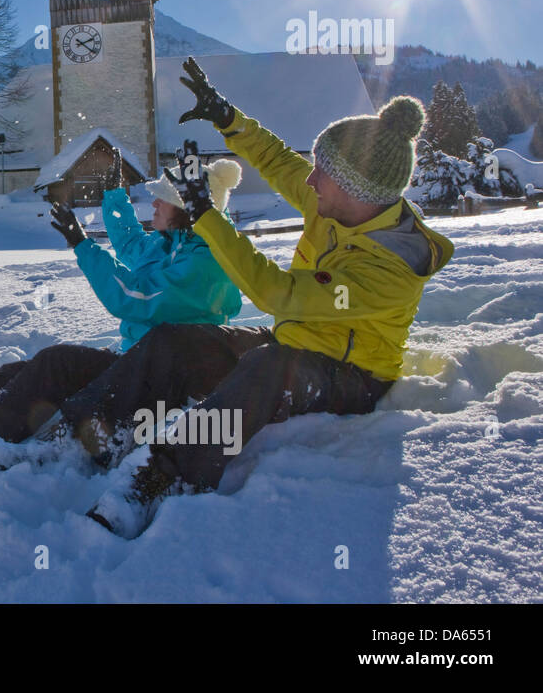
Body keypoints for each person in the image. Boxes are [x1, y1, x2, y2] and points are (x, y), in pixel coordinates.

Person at [86, 57, 454, 538]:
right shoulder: (334, 204)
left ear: (353, 187)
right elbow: (280, 160)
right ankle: (90, 436)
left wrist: (204, 214)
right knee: (179, 339)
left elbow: (276, 292)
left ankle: (159, 478)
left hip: (352, 375)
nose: (308, 180)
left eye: (321, 171)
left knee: (266, 369)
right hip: (294, 340)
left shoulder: (390, 267)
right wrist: (226, 116)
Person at [0, 146, 245, 467]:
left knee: (54, 364)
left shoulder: (206, 264)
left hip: (153, 383)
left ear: (186, 209)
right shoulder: (172, 244)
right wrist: (115, 195)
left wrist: (83, 246)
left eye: (164, 197)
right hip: (131, 362)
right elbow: (131, 246)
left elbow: (132, 297)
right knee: (18, 372)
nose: (156, 201)